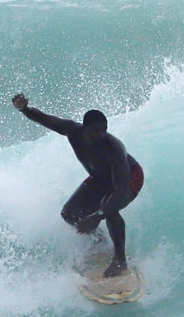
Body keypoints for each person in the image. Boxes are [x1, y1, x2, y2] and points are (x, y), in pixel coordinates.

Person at [11, 93, 144, 277]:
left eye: (104, 130)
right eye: (95, 131)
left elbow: (120, 190)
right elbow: (43, 118)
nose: (100, 135)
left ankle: (120, 261)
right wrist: (24, 109)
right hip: (100, 178)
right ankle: (101, 243)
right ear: (85, 128)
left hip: (130, 177)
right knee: (69, 214)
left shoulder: (114, 148)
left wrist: (98, 215)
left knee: (109, 208)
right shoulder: (72, 131)